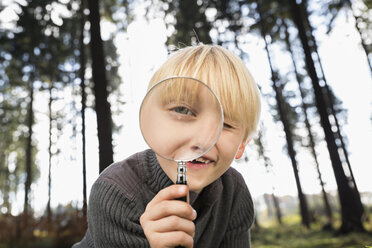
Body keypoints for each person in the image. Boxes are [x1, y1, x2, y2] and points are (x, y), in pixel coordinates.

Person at [72, 44, 261, 248]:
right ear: (154, 123)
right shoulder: (116, 191)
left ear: (242, 145)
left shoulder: (234, 192)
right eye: (183, 111)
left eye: (226, 124)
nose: (202, 141)